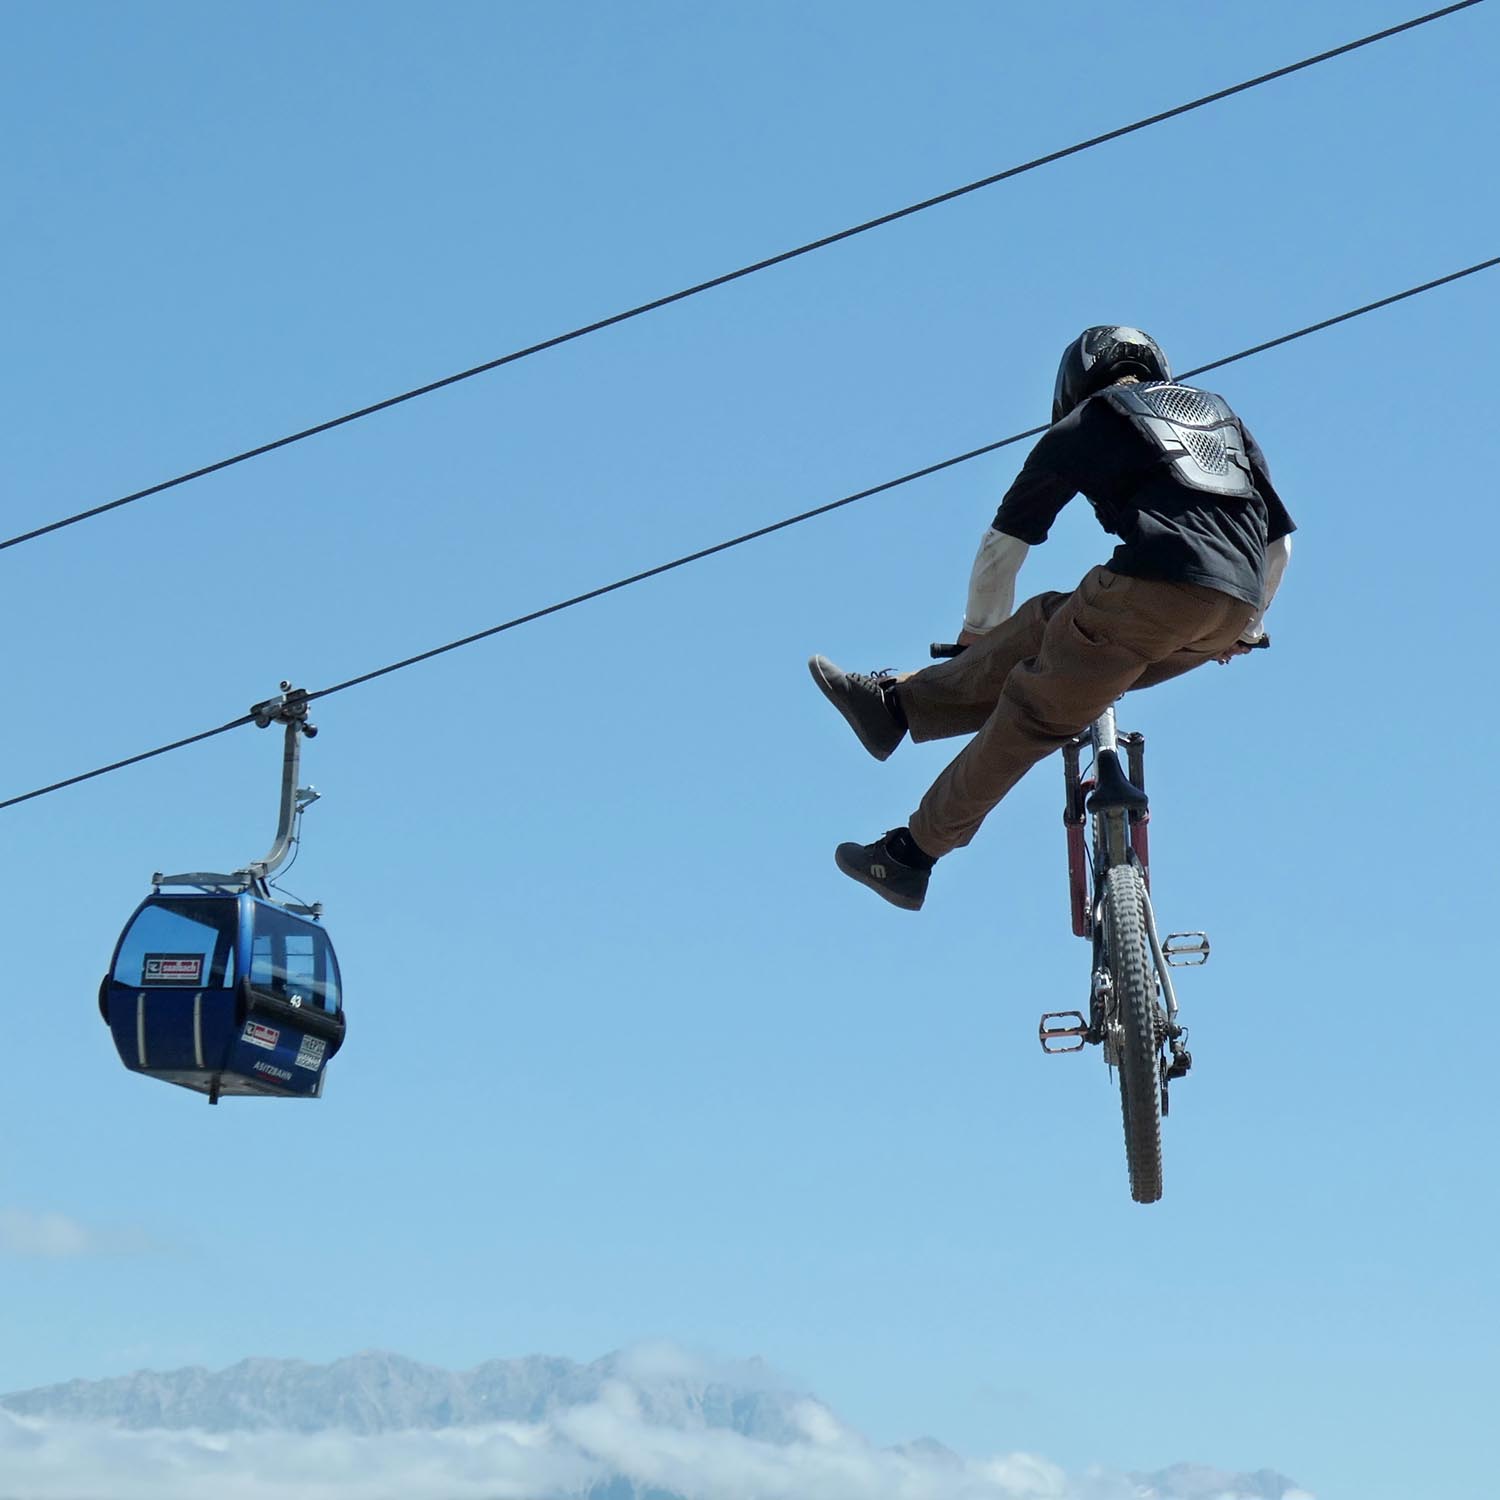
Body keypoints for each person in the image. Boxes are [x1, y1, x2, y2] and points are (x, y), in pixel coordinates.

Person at [809, 325, 1295, 911]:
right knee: (1052, 620)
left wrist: (977, 638)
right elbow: (1279, 544)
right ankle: (895, 707)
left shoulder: (1090, 420)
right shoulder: (1218, 413)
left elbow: (1005, 544)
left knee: (1030, 716)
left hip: (1151, 586)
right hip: (1232, 606)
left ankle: (910, 856)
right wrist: (1247, 628)